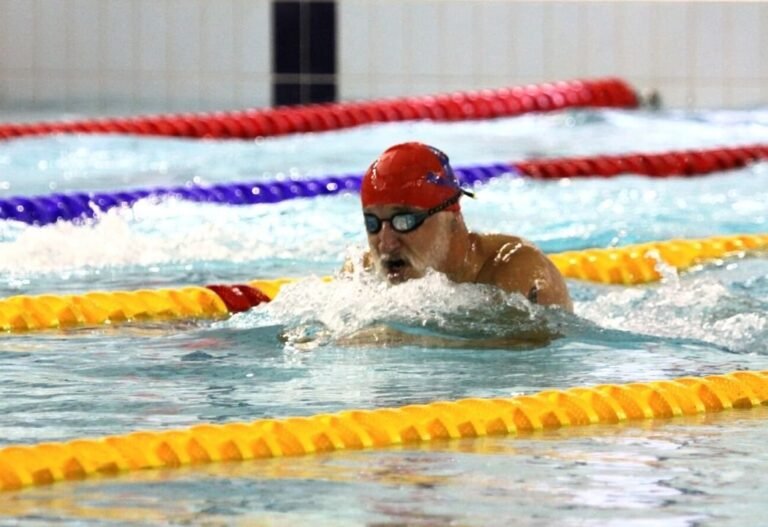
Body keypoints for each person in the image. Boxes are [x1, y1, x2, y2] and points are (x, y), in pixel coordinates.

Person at [357, 142, 573, 312]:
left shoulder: (514, 268)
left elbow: (530, 347)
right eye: (372, 223)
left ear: (451, 218)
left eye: (404, 221)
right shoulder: (363, 274)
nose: (385, 244)